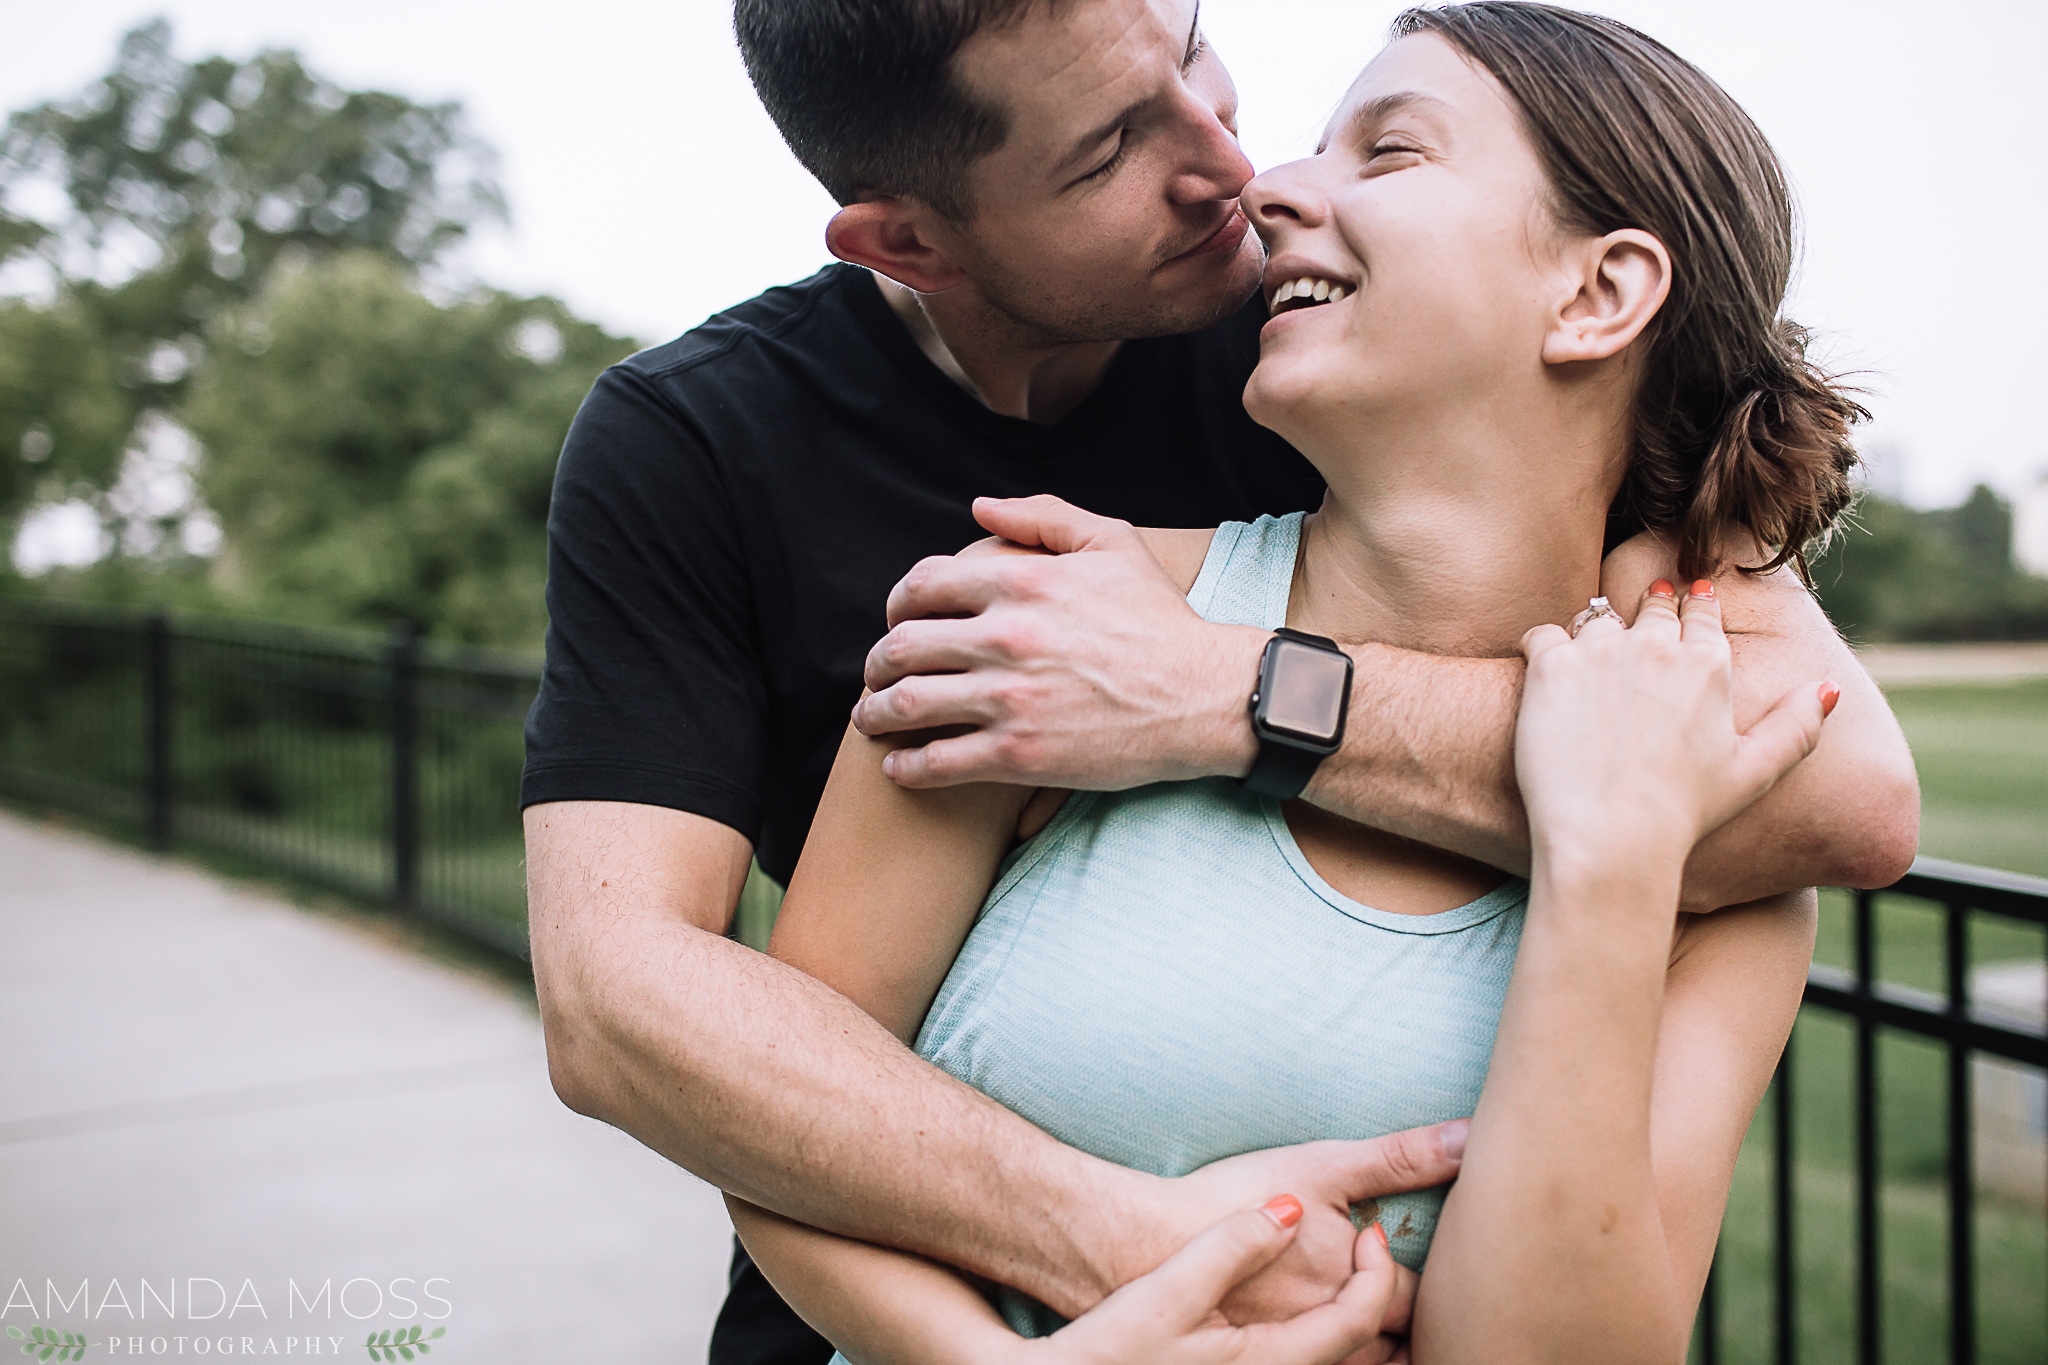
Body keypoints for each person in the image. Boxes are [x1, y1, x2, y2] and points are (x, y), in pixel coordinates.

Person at [518, 1, 1919, 1361]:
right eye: (1109, 147)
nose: (1249, 179)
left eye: (1196, 48)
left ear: (1601, 293)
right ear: (913, 241)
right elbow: (667, 1028)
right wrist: (1125, 1278)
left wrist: (1223, 694)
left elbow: (1846, 791)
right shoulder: (956, 570)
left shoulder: (1293, 327)